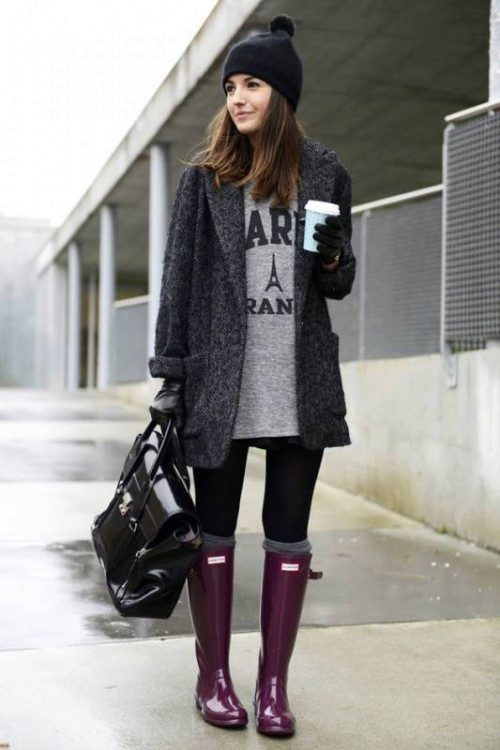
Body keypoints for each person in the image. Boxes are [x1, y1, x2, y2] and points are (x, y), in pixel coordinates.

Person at [148, 13, 356, 737]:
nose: (237, 97)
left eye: (253, 85)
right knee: (212, 532)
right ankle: (213, 678)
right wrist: (170, 374)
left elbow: (336, 283)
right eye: (231, 85)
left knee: (288, 536)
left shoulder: (324, 173)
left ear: (281, 94)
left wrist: (333, 255)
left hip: (298, 381)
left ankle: (273, 688)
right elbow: (178, 281)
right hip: (220, 382)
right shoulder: (205, 180)